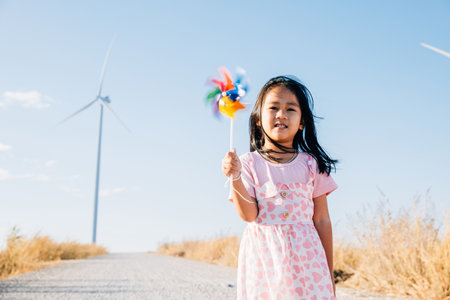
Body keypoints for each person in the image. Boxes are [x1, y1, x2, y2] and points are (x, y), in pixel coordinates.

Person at [222, 76, 338, 300]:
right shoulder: (247, 163)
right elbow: (249, 215)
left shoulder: (312, 165)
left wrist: (329, 273)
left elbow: (322, 220)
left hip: (308, 262)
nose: (281, 114)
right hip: (264, 259)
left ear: (302, 121)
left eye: (291, 109)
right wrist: (235, 177)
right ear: (258, 119)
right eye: (273, 107)